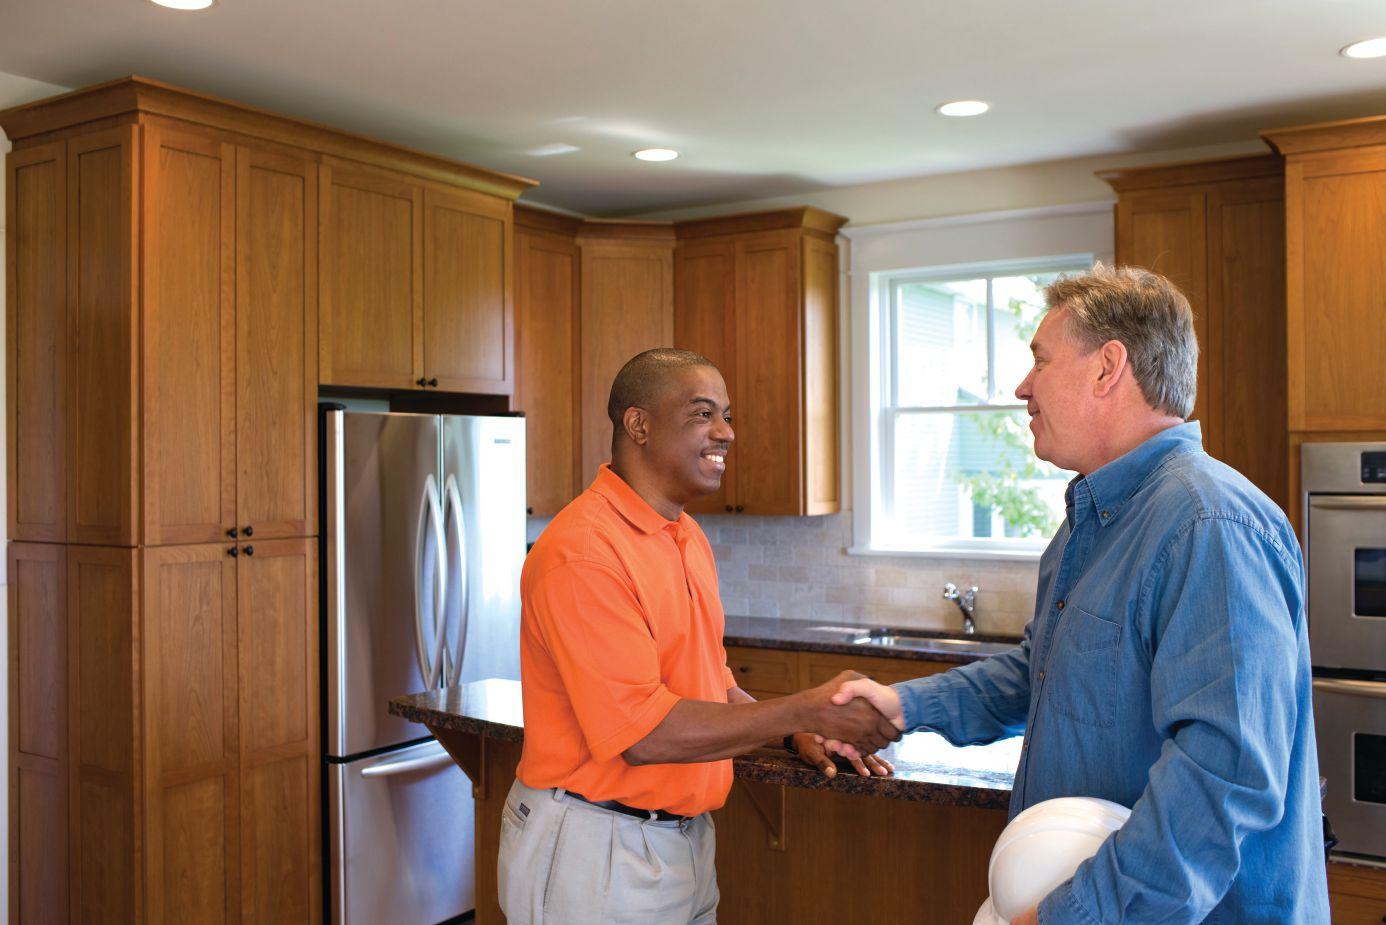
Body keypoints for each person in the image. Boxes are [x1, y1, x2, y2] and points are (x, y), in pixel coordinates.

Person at [831, 265, 1329, 924]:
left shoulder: (1211, 524)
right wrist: (901, 705)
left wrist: (1075, 914)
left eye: (1040, 360)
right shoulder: (1090, 521)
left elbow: (1222, 776)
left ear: (1106, 369)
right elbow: (1041, 672)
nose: (1022, 386)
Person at [499, 348, 899, 925]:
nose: (726, 432)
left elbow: (711, 687)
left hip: (681, 841)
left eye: (727, 415)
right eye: (703, 413)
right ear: (639, 425)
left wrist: (793, 732)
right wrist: (803, 706)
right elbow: (644, 735)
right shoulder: (584, 552)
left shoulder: (685, 536)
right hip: (593, 846)